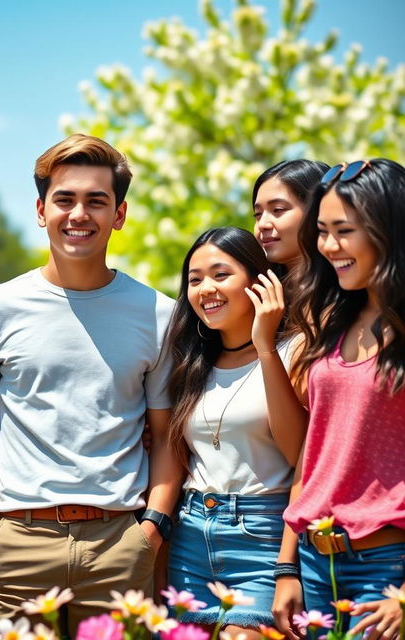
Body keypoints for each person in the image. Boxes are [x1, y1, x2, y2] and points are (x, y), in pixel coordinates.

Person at [0, 134, 180, 638]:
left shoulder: (159, 314)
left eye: (97, 201)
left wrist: (152, 531)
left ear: (119, 215)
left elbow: (167, 436)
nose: (79, 213)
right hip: (16, 544)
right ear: (41, 210)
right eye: (65, 199)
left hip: (119, 544)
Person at [274, 159, 405, 640]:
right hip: (313, 564)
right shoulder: (330, 322)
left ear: (388, 231)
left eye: (343, 231)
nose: (328, 247)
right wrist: (287, 567)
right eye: (322, 232)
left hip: (387, 570)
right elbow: (313, 455)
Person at [166, 227, 307, 638]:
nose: (206, 289)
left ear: (260, 281)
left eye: (221, 274)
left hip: (264, 535)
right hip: (190, 537)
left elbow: (301, 454)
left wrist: (265, 346)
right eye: (194, 280)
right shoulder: (187, 362)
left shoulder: (294, 350)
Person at [253, 160, 329, 273]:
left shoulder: (355, 287)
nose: (262, 224)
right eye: (258, 214)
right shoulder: (252, 287)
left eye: (278, 209)